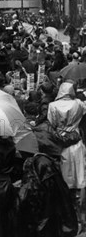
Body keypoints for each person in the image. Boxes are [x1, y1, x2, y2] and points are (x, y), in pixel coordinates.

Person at [47, 81, 86, 214]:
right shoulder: (79, 104)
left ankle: (66, 210)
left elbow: (51, 124)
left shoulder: (52, 106)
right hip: (76, 142)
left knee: (64, 178)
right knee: (80, 177)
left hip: (60, 144)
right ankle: (80, 212)